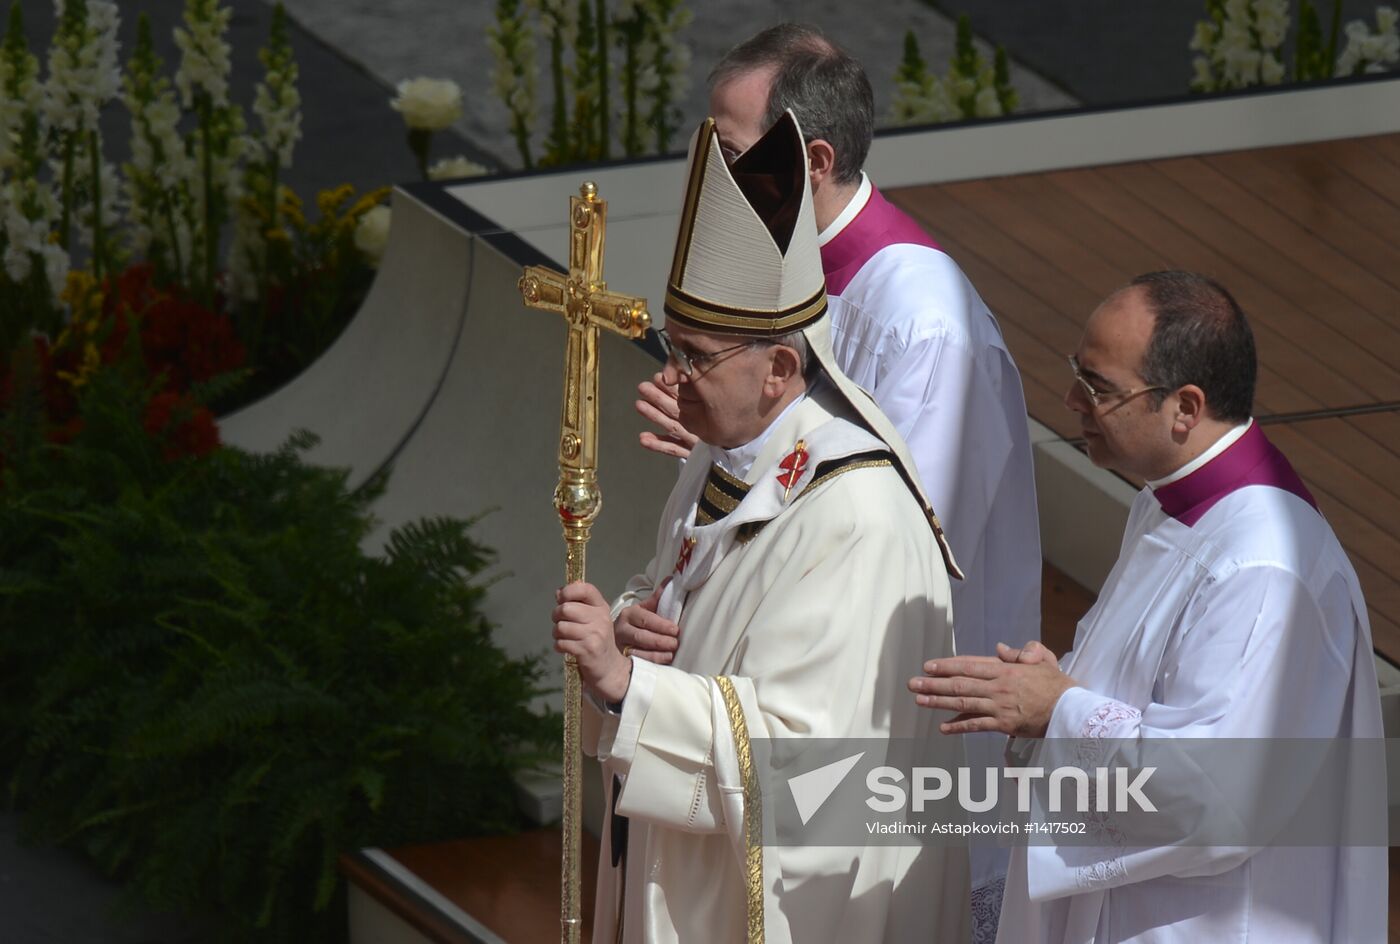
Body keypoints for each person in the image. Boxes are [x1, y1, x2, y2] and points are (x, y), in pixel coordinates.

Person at [632, 24, 1042, 933]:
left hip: (865, 715)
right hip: (763, 688)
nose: (710, 176)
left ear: (812, 160)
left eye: (730, 153)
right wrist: (706, 419)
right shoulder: (773, 276)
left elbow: (893, 527)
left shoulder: (920, 315)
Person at [553, 112, 969, 943]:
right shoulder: (731, 448)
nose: (673, 378)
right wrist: (639, 623)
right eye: (673, 347)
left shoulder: (855, 516)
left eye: (695, 357)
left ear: (781, 367)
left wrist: (626, 686)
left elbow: (809, 764)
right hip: (680, 863)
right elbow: (687, 592)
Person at [909, 270, 1387, 943]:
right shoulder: (1167, 503)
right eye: (1078, 371)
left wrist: (1060, 709)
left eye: (1099, 388)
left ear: (1185, 409)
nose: (1071, 399)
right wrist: (1048, 693)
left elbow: (1216, 795)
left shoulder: (1266, 569)